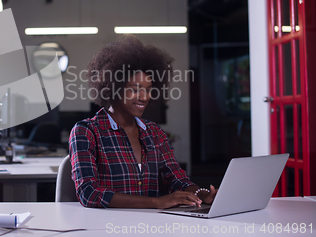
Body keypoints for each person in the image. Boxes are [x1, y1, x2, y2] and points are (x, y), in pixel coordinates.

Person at [69, 35, 217, 209]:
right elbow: (88, 193)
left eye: (148, 90)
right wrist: (156, 202)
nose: (144, 97)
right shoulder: (86, 132)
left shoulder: (154, 132)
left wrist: (201, 194)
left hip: (149, 227)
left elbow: (178, 179)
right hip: (106, 227)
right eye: (135, 90)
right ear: (113, 88)